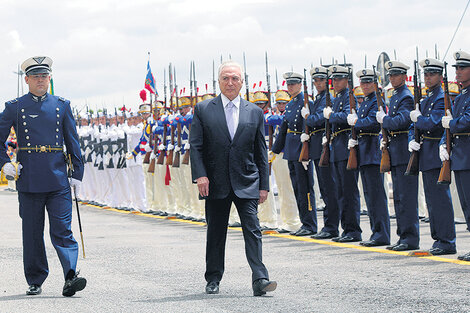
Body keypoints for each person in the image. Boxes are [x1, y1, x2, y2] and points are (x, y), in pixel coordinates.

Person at [0, 56, 86, 296]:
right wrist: (5, 163)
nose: (41, 80)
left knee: (62, 229)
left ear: (50, 78)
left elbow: (73, 143)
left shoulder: (62, 105)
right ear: (26, 79)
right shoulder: (14, 107)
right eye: (36, 76)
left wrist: (77, 174)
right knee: (32, 232)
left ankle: (71, 275)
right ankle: (35, 279)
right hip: (29, 179)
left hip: (58, 178)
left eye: (44, 76)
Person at [190, 60, 276, 296]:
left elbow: (261, 151)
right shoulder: (203, 109)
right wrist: (200, 176)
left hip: (247, 181)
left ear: (242, 82)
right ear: (218, 82)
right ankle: (213, 278)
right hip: (215, 182)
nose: (230, 82)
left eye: (235, 78)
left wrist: (264, 186)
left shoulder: (255, 112)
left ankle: (260, 278)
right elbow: (196, 146)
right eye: (226, 78)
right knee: (216, 232)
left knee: (253, 229)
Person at [409, 58, 456, 255]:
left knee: (440, 201)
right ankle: (439, 239)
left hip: (436, 153)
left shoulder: (439, 98)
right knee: (431, 201)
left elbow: (432, 123)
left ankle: (447, 240)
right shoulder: (427, 98)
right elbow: (416, 126)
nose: (428, 78)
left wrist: (418, 119)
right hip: (425, 153)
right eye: (426, 74)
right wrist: (412, 137)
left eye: (432, 74)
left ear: (440, 76)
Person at [376, 60, 419, 251]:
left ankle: (410, 238)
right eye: (390, 76)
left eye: (395, 75)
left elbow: (401, 121)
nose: (392, 78)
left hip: (403, 152)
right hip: (395, 151)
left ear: (404, 76)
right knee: (399, 198)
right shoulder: (395, 96)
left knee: (406, 197)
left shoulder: (406, 97)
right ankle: (403, 236)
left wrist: (384, 120)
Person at [347, 69, 390, 246]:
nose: (364, 86)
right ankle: (376, 232)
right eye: (362, 83)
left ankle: (382, 234)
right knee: (370, 196)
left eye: (368, 83)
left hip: (373, 153)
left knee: (376, 196)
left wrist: (356, 122)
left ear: (375, 83)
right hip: (364, 153)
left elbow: (373, 123)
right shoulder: (366, 102)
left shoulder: (376, 102)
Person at [271, 72, 316, 237]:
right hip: (291, 151)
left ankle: (310, 224)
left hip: (302, 150)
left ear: (300, 85)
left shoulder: (307, 102)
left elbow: (311, 126)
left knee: (306, 189)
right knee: (297, 188)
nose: (290, 87)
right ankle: (304, 222)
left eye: (293, 84)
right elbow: (283, 130)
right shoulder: (290, 105)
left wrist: (309, 149)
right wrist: (275, 151)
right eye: (288, 85)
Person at [323, 65, 362, 242]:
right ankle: (346, 229)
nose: (335, 82)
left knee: (349, 192)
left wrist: (331, 116)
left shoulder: (348, 97)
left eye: (339, 79)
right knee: (340, 192)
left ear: (347, 81)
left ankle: (353, 230)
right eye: (334, 80)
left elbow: (348, 117)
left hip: (346, 149)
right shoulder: (338, 98)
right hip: (337, 149)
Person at [441, 51, 470, 261]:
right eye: (456, 69)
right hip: (460, 158)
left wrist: (451, 124)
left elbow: (466, 121)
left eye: (462, 68)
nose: (458, 72)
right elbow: (449, 126)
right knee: (466, 205)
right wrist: (444, 142)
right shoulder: (460, 98)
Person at [305, 66, 340, 240]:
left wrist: (308, 118)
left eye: (321, 80)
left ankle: (332, 226)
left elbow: (318, 119)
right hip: (318, 148)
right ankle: (329, 225)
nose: (318, 83)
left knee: (329, 189)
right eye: (316, 81)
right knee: (325, 190)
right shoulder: (319, 99)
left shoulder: (329, 99)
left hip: (325, 148)